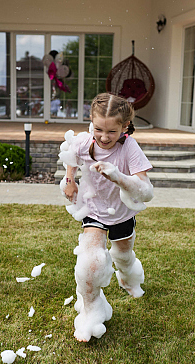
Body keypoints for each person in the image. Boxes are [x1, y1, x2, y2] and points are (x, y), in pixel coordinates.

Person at [60, 92, 154, 342]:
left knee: (123, 256)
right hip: (93, 211)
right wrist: (70, 181)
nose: (103, 137)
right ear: (91, 122)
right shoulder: (84, 141)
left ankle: (128, 279)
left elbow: (146, 190)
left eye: (111, 132)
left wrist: (117, 176)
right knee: (90, 261)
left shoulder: (129, 148)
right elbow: (71, 156)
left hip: (122, 213)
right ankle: (91, 311)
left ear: (124, 127)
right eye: (98, 129)